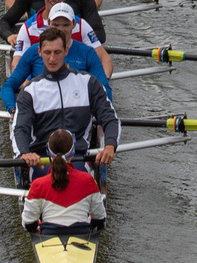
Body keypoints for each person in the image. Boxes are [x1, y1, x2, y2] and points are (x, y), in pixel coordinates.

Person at [9, 26, 120, 171]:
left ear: (66, 51)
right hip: (42, 160)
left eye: (57, 52)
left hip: (77, 157)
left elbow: (110, 117)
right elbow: (20, 128)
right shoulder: (30, 91)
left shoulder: (87, 83)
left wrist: (110, 145)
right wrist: (23, 153)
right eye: (47, 52)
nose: (52, 58)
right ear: (39, 52)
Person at [3, 3, 111, 107]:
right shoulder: (33, 52)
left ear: (74, 24)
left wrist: (102, 117)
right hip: (42, 112)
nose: (60, 29)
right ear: (49, 23)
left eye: (65, 25)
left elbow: (104, 88)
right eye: (56, 24)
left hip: (76, 112)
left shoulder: (87, 53)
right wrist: (13, 109)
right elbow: (8, 86)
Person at [20, 131, 105, 236]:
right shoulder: (88, 180)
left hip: (48, 234)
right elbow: (100, 218)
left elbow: (28, 223)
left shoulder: (38, 185)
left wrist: (36, 226)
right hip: (82, 233)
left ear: (48, 152)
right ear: (73, 152)